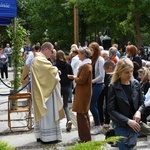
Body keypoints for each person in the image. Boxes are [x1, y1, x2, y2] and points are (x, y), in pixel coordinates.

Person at [30, 42, 65, 143]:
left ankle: (41, 135)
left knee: (44, 114)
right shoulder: (40, 60)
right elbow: (49, 72)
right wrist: (56, 70)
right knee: (48, 114)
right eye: (51, 50)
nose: (52, 53)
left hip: (43, 91)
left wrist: (54, 70)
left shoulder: (38, 59)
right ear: (46, 49)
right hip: (46, 94)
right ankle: (49, 137)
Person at [107, 57, 144, 150]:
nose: (130, 74)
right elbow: (111, 110)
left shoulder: (136, 84)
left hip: (135, 125)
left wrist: (139, 111)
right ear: (119, 73)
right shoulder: (113, 86)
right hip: (121, 125)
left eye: (131, 71)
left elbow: (141, 103)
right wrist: (127, 121)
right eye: (127, 72)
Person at [68, 47, 92, 142]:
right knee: (82, 114)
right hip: (82, 92)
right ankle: (84, 136)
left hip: (83, 92)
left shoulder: (86, 66)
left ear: (84, 55)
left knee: (82, 115)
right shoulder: (85, 65)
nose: (78, 55)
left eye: (80, 54)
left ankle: (85, 138)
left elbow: (81, 80)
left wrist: (74, 77)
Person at [89, 42, 105, 135]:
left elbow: (101, 76)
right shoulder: (91, 59)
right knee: (93, 104)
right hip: (93, 84)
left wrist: (91, 81)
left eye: (91, 50)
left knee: (92, 103)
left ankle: (98, 124)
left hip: (98, 84)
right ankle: (96, 121)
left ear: (96, 50)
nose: (90, 52)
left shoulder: (100, 60)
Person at [55, 50, 73, 132]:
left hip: (58, 86)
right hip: (67, 86)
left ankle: (56, 123)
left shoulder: (55, 66)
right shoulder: (68, 65)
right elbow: (71, 76)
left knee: (56, 104)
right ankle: (69, 119)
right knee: (65, 105)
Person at [98, 60, 115, 127]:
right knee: (100, 103)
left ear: (110, 68)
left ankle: (107, 121)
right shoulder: (105, 72)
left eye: (105, 69)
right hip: (103, 89)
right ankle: (101, 119)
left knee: (108, 105)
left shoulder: (114, 73)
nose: (104, 71)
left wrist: (106, 83)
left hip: (109, 89)